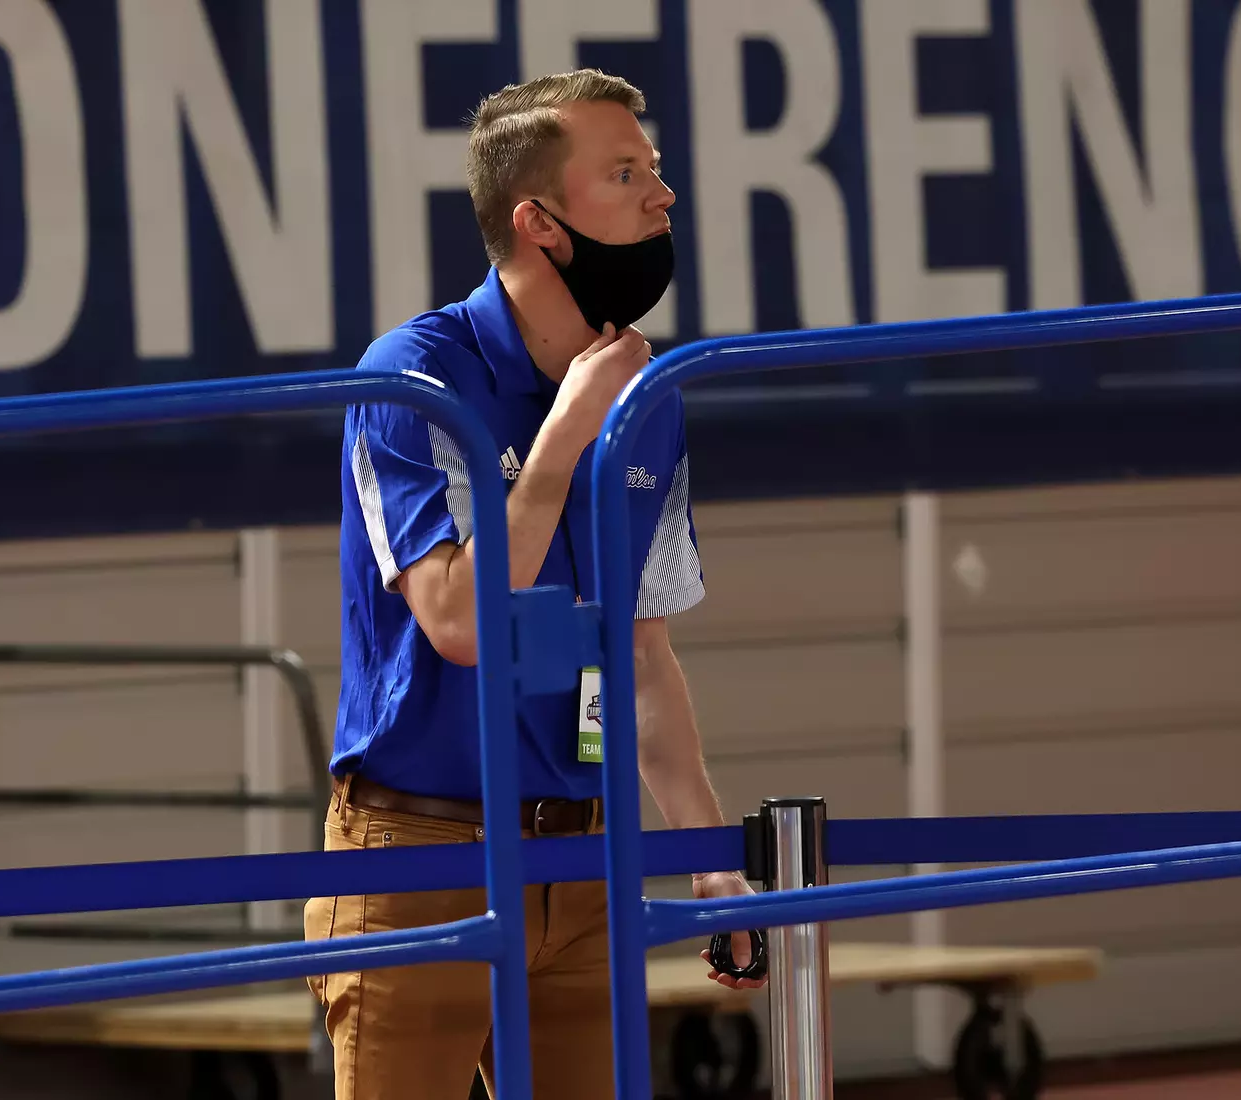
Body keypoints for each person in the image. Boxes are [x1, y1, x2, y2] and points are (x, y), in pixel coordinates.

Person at [305, 69, 763, 1100]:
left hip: (583, 855)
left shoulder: (652, 399)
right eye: (625, 172)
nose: (663, 194)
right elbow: (461, 619)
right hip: (418, 856)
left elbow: (638, 648)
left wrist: (711, 855)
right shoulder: (411, 375)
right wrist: (561, 438)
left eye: (653, 169)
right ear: (540, 223)